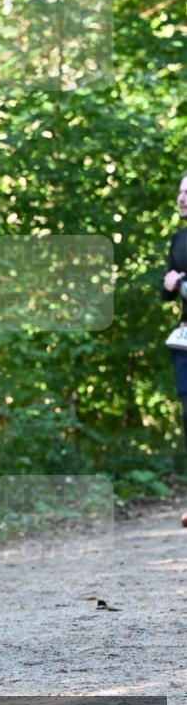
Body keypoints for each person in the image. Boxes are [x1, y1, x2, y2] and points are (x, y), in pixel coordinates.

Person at [161, 170, 187, 525]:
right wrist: (173, 283)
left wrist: (180, 281)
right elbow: (164, 288)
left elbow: (175, 281)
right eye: (180, 191)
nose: (182, 198)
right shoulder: (179, 239)